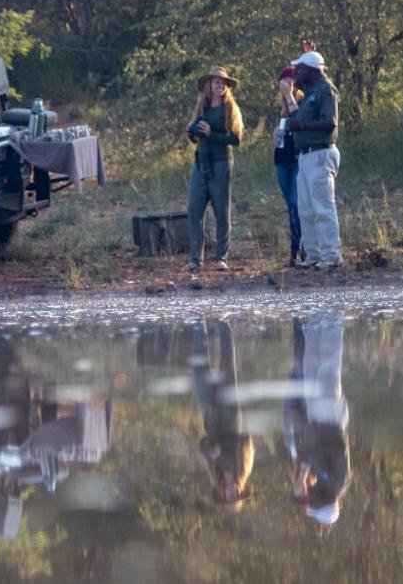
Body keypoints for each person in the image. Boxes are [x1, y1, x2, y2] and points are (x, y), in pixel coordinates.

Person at [282, 312, 350, 531]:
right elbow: (338, 448)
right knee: (328, 366)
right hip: (330, 417)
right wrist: (312, 457)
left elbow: (310, 451)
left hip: (315, 418)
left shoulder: (320, 480)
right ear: (325, 502)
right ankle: (332, 321)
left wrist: (303, 471)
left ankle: (314, 320)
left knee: (310, 366)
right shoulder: (338, 481)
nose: (309, 499)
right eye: (314, 504)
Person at [286, 51, 342, 270]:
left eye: (300, 68)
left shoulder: (326, 90)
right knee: (306, 210)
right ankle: (313, 255)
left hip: (320, 153)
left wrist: (300, 125)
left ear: (312, 70)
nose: (296, 72)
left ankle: (331, 257)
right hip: (306, 155)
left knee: (323, 208)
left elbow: (330, 123)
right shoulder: (309, 90)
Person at [191, 319, 254, 510]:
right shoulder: (243, 468)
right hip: (230, 414)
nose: (234, 492)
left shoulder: (214, 472)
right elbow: (246, 440)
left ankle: (197, 322)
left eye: (230, 496)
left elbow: (201, 444)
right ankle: (223, 322)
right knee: (227, 364)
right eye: (237, 494)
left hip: (210, 415)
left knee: (199, 368)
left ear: (223, 493)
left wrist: (209, 451)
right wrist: (223, 447)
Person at [185, 67, 244, 271]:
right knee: (194, 210)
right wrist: (192, 133)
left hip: (221, 162)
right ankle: (195, 258)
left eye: (223, 83)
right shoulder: (202, 106)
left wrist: (212, 134)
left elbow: (236, 139)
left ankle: (221, 256)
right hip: (201, 162)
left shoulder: (230, 108)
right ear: (209, 84)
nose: (220, 86)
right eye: (217, 82)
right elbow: (196, 136)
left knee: (221, 210)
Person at [274, 65, 303, 266]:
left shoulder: (300, 100)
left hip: (297, 160)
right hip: (282, 160)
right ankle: (294, 251)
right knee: (290, 207)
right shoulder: (281, 107)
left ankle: (301, 248)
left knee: (295, 203)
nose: (288, 85)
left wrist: (290, 95)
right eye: (285, 81)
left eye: (291, 81)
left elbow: (300, 120)